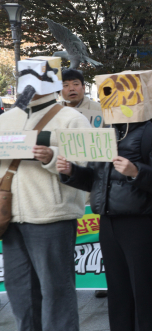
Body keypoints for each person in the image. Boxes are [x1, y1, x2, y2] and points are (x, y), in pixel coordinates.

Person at [57, 73, 152, 331]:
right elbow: (95, 180)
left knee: (145, 290)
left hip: (142, 223)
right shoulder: (105, 132)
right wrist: (71, 172)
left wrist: (136, 172)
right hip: (108, 221)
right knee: (117, 290)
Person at [0, 57, 91, 331]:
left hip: (53, 216)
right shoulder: (6, 119)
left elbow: (87, 166)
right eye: (24, 77)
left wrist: (52, 158)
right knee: (19, 292)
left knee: (57, 290)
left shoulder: (73, 118)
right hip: (10, 217)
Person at [59, 68, 107, 298]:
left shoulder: (100, 111)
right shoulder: (54, 114)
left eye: (75, 83)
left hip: (94, 178)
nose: (71, 89)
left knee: (99, 233)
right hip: (65, 180)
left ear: (83, 86)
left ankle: (102, 278)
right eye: (66, 85)